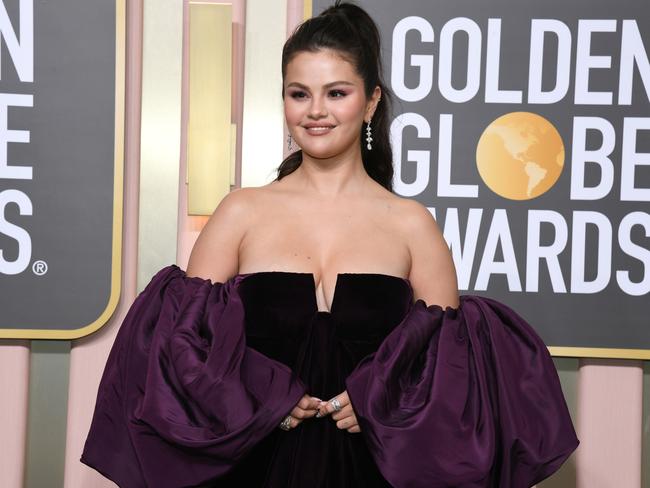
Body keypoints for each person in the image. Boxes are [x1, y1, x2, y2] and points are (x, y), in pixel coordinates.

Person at [80, 2, 579, 487]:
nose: (315, 111)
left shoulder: (412, 224)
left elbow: (447, 375)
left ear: (371, 102)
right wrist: (263, 395)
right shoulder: (241, 213)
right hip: (253, 467)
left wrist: (378, 400)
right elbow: (184, 351)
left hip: (373, 470)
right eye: (299, 94)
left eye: (336, 93)